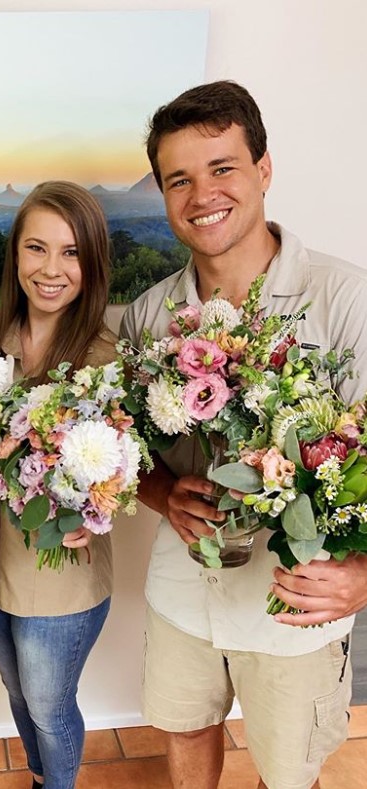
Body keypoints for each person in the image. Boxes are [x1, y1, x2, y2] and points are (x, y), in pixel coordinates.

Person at [119, 81, 367, 789]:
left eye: (221, 167)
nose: (202, 195)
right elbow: (127, 450)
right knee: (186, 727)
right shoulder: (147, 315)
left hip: (294, 603)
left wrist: (361, 574)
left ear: (262, 168)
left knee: (288, 774)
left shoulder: (343, 298)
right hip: (181, 589)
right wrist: (163, 492)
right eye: (178, 179)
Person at [0, 181, 116, 789]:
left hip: (59, 583)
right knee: (17, 693)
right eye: (37, 248)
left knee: (50, 707)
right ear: (16, 256)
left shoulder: (104, 360)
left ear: (93, 262)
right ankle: (39, 776)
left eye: (71, 252)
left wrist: (96, 514)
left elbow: (121, 470)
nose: (51, 270)